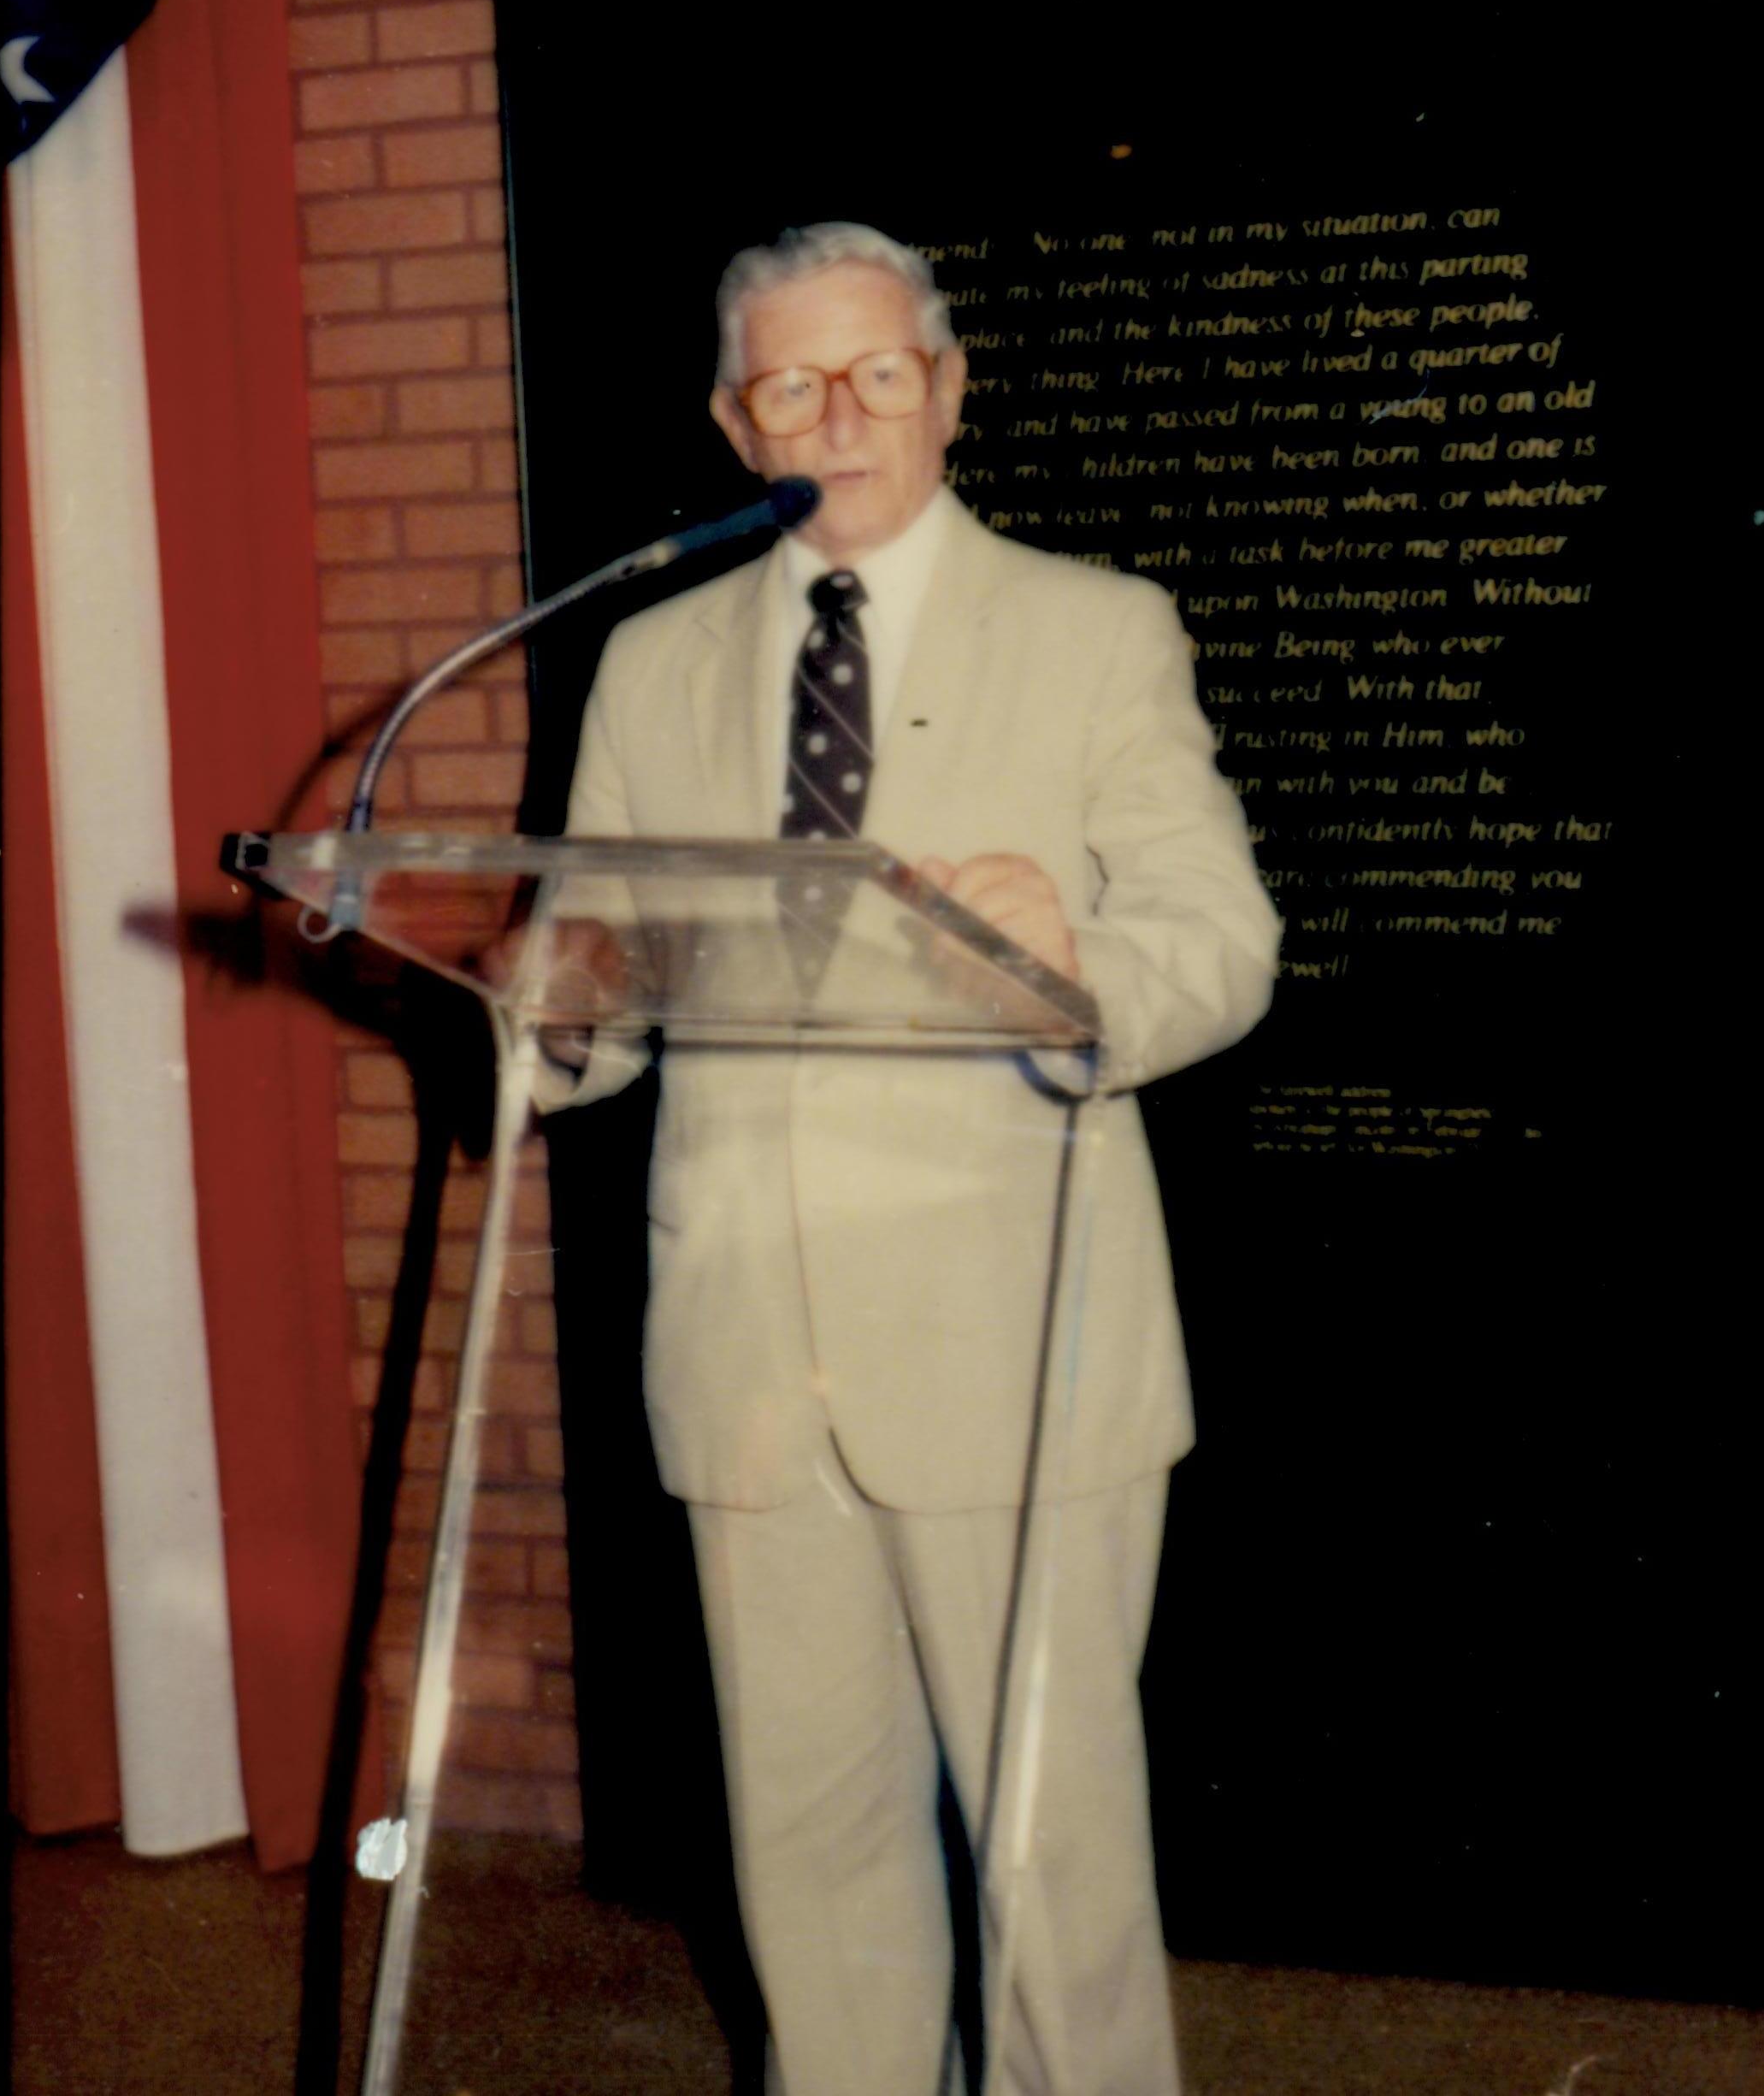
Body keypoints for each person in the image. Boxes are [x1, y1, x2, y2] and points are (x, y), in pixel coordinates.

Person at [544, 221, 1278, 2095]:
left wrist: (1073, 965)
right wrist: (551, 1005)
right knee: (809, 1856)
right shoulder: (649, 663)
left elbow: (1219, 940)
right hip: (746, 1355)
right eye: (794, 382)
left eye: (882, 373)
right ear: (735, 419)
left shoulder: (1097, 629)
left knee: (1053, 1868)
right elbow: (613, 988)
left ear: (949, 389)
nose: (843, 416)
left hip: (1013, 1348)